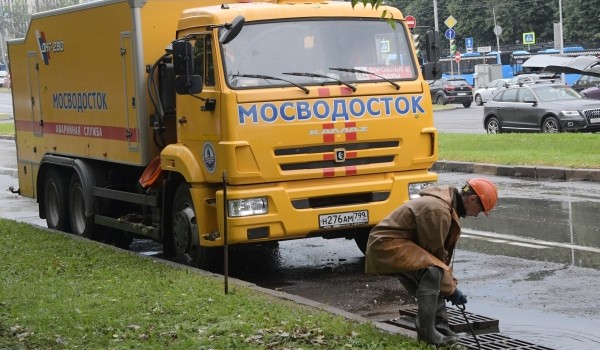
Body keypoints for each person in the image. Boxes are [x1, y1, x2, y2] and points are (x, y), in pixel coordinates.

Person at [365, 178, 498, 346]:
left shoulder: (445, 207)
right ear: (472, 199)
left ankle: (441, 330)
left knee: (437, 276)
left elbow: (438, 258)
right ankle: (427, 333)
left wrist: (450, 286)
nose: (475, 215)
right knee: (434, 273)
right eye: (479, 210)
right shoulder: (438, 210)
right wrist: (451, 289)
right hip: (386, 246)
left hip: (396, 244)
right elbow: (434, 255)